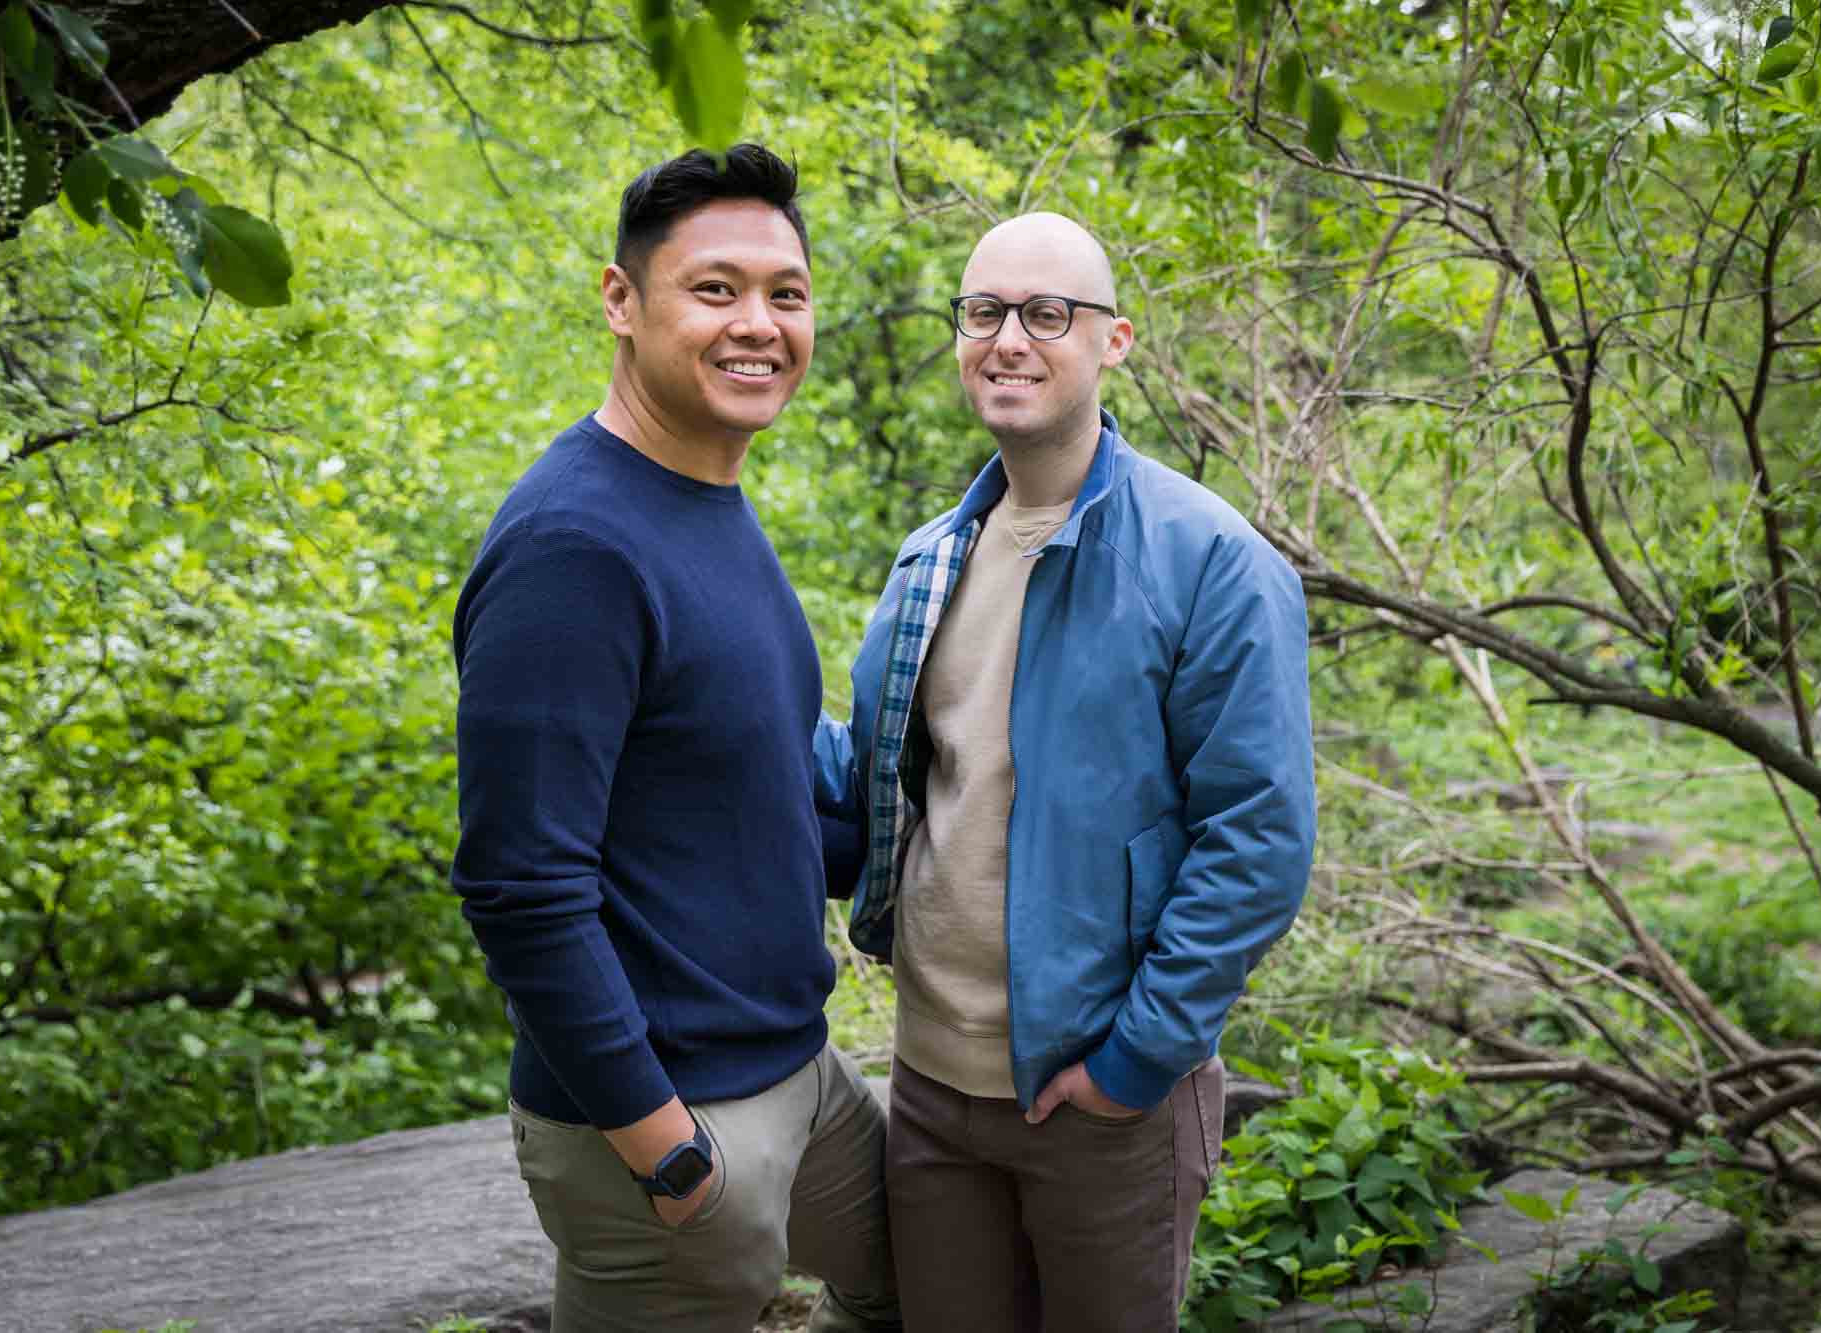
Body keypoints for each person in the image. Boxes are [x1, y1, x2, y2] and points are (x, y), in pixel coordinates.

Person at [818, 212, 1316, 1331]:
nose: (1008, 339)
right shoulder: (928, 560)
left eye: (1047, 314)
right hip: (934, 1091)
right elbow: (878, 791)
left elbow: (1259, 840)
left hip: (1101, 1101)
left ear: (1113, 340)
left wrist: (1134, 1061)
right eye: (983, 311)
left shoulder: (1211, 562)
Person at [450, 144, 900, 1333]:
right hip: (664, 1117)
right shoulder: (574, 549)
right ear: (620, 299)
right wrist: (662, 1148)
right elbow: (518, 883)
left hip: (794, 1071)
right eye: (714, 288)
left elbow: (749, 794)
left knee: (942, 1277)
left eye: (784, 294)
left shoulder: (705, 501)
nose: (757, 323)